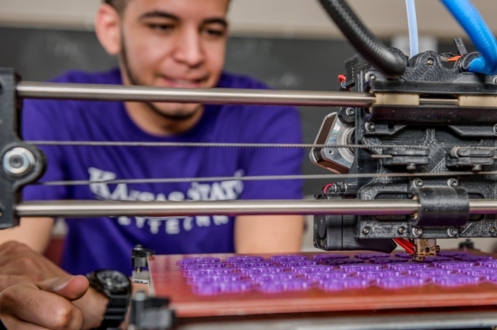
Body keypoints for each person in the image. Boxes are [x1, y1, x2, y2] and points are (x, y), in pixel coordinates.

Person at [0, 0, 305, 326]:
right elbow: (13, 268)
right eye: (162, 26)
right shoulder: (55, 109)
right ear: (111, 28)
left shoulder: (265, 114)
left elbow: (263, 289)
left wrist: (104, 308)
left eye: (211, 31)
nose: (192, 55)